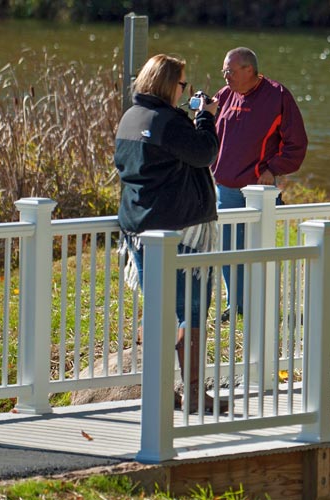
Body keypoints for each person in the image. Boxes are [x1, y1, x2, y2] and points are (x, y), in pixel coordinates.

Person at [114, 54, 227, 414]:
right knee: (190, 313)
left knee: (158, 311)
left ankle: (160, 393)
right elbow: (205, 152)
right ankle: (194, 395)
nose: (185, 91)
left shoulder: (130, 118)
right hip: (182, 233)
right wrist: (206, 116)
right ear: (168, 85)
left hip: (140, 230)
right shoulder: (167, 121)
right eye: (183, 85)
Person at [210, 47, 309, 318]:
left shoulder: (277, 96)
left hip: (258, 190)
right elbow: (207, 135)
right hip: (225, 188)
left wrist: (273, 169)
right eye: (224, 71)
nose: (225, 76)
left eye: (229, 70)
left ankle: (260, 301)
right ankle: (237, 305)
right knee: (228, 248)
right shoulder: (224, 95)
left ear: (248, 70)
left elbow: (296, 145)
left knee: (258, 248)